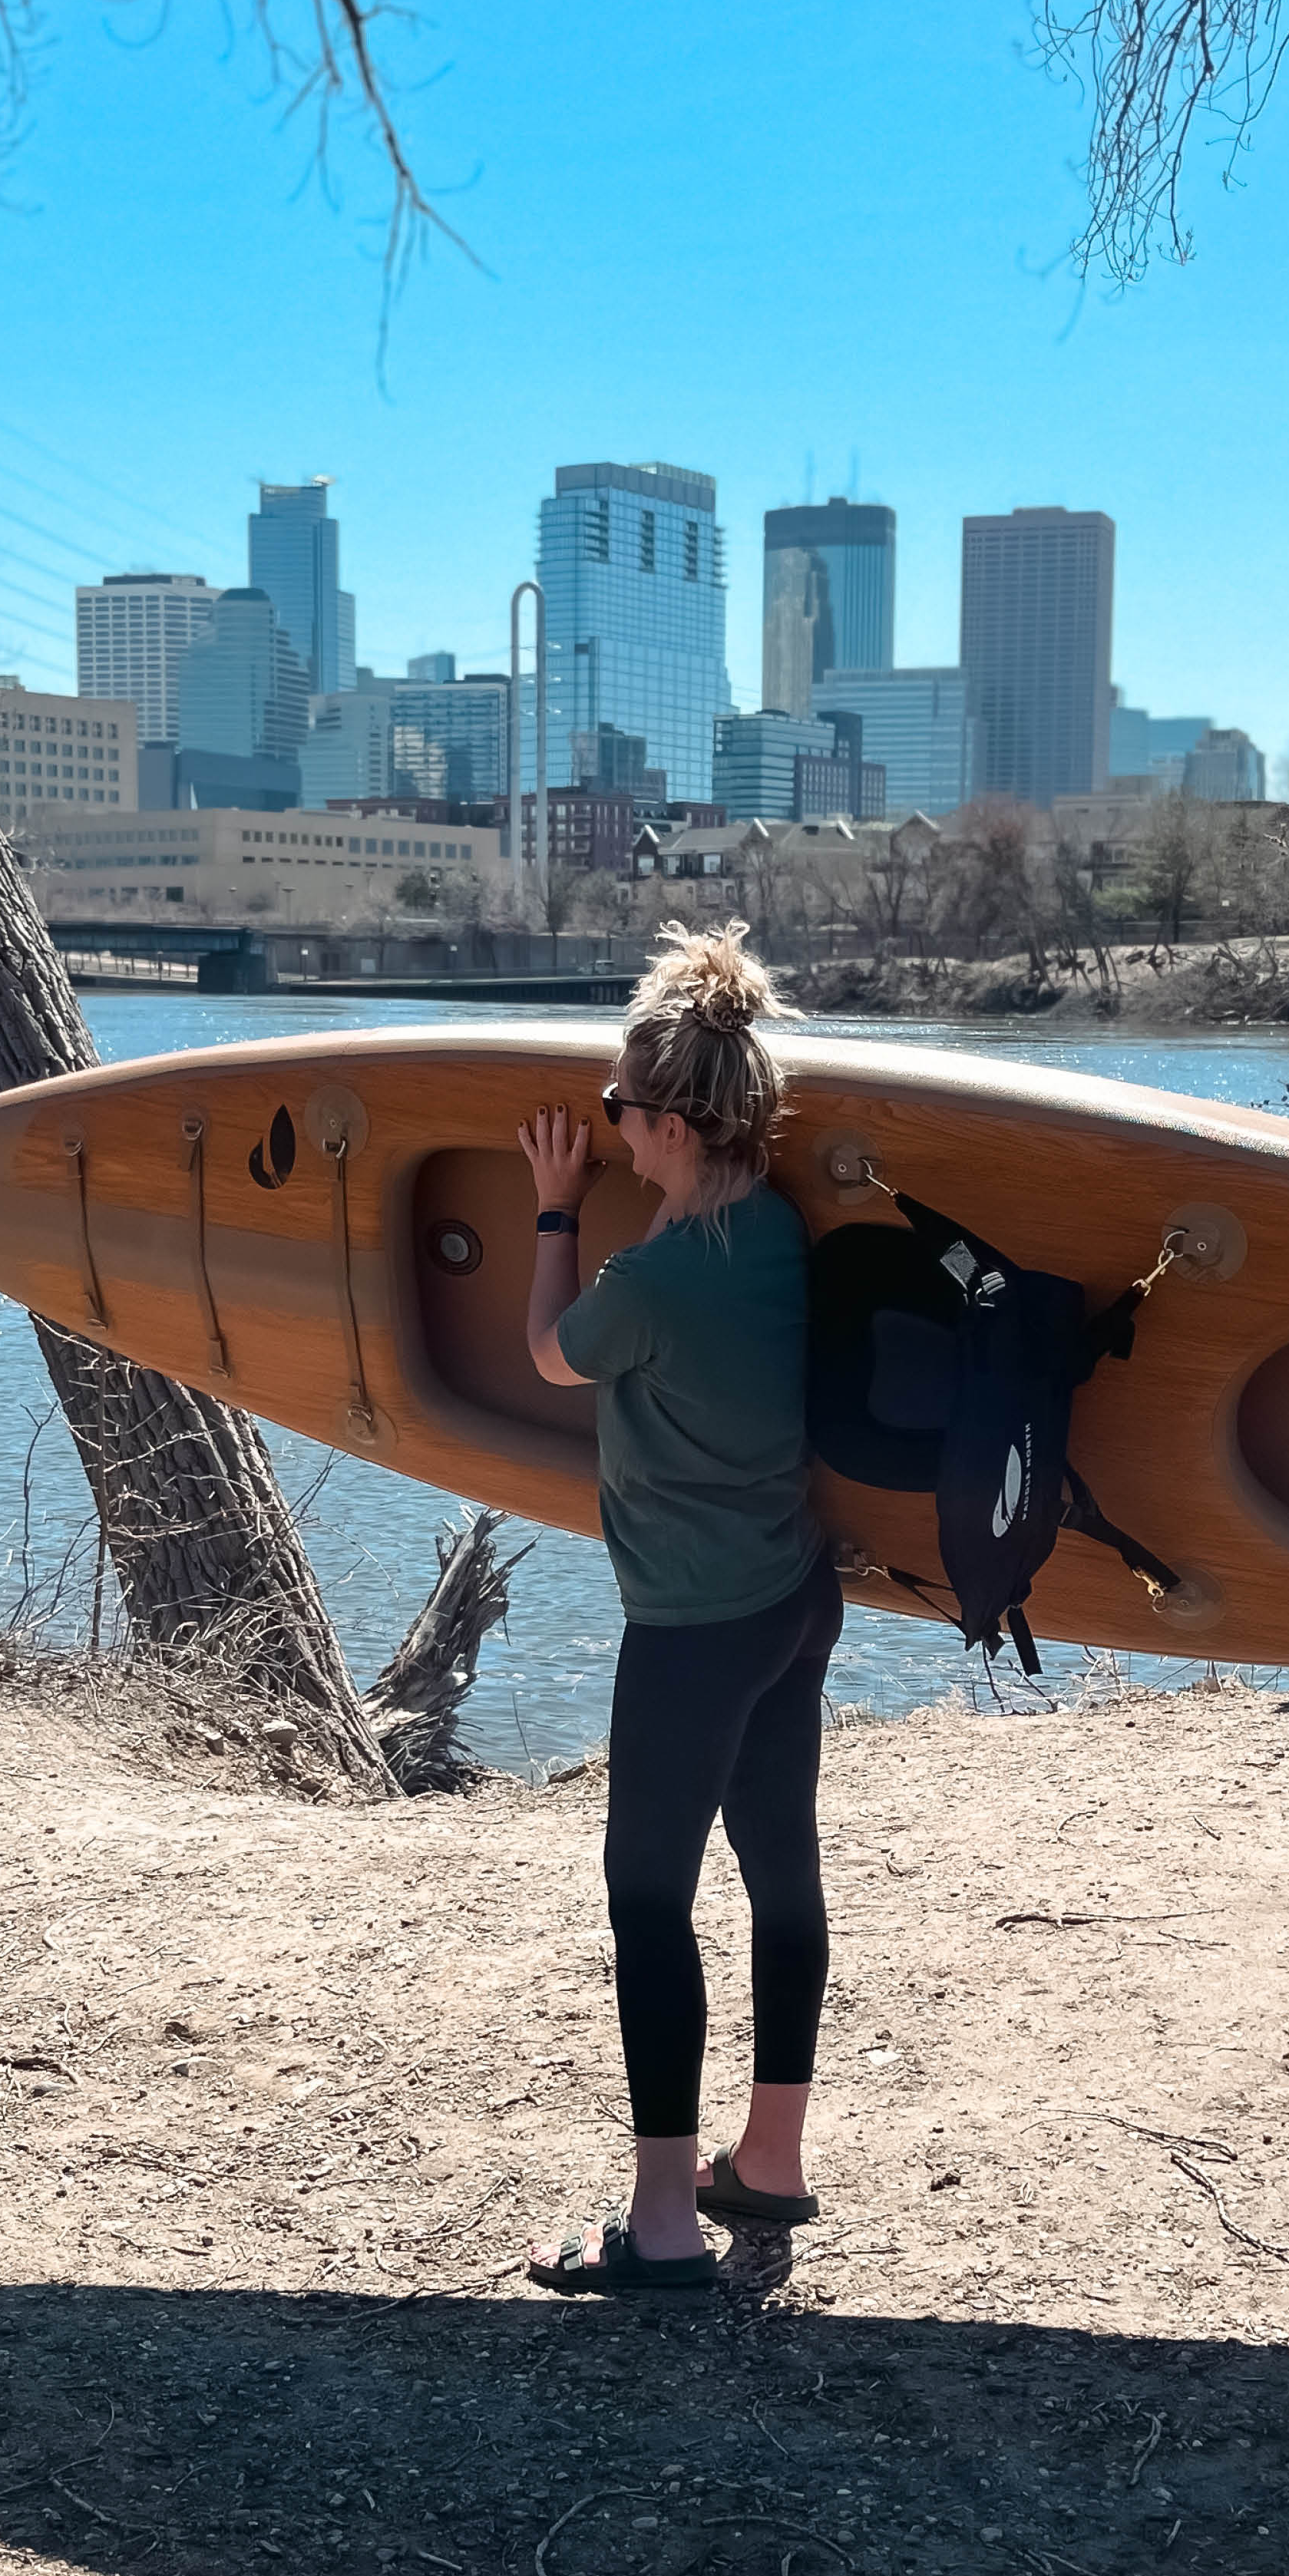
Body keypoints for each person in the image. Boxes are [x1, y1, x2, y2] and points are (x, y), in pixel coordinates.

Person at [516, 919, 840, 2296]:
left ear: (663, 1122)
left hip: (691, 1630)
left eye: (615, 1114)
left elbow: (548, 1355)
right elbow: (687, 1227)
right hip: (790, 1598)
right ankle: (767, 2162)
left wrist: (550, 1208)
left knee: (645, 1896)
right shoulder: (771, 1226)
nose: (604, 1130)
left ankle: (658, 2225)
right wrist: (660, 1174)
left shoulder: (639, 1286)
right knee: (779, 1871)